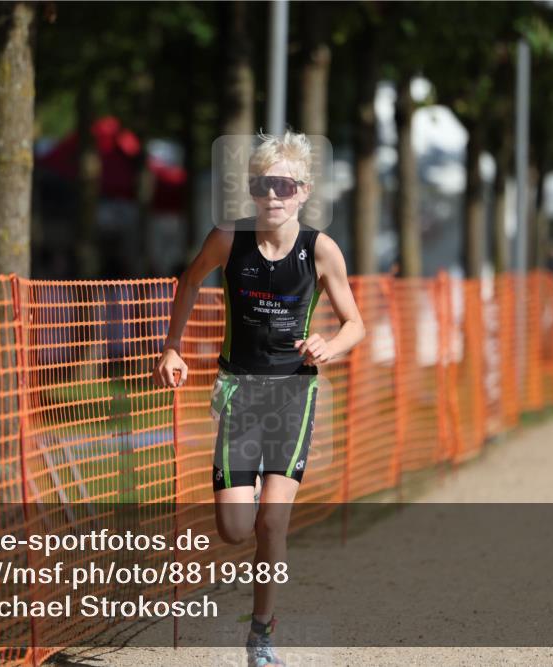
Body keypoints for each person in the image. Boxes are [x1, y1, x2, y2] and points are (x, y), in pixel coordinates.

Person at [152, 131, 365, 667]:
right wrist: (172, 348)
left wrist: (329, 345)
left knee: (272, 520)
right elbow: (189, 283)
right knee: (235, 528)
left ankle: (262, 633)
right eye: (261, 185)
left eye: (284, 185)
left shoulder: (320, 250)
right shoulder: (228, 240)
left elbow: (355, 324)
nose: (272, 195)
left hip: (293, 393)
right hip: (239, 394)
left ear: (304, 191)